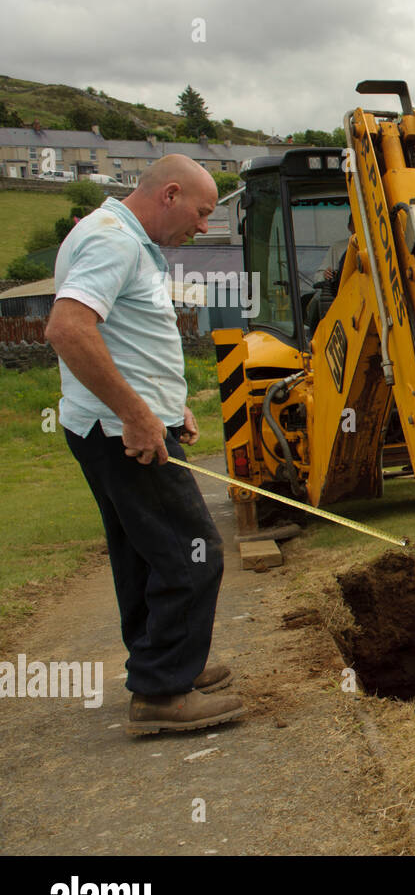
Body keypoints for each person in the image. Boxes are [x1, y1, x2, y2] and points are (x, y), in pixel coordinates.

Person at [44, 154, 245, 735]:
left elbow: (121, 335)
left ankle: (163, 666)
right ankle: (161, 694)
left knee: (145, 551)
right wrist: (135, 415)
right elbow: (67, 328)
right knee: (193, 550)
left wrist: (162, 404)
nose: (203, 227)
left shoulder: (113, 234)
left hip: (113, 427)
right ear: (170, 194)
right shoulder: (116, 243)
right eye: (202, 213)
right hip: (119, 434)